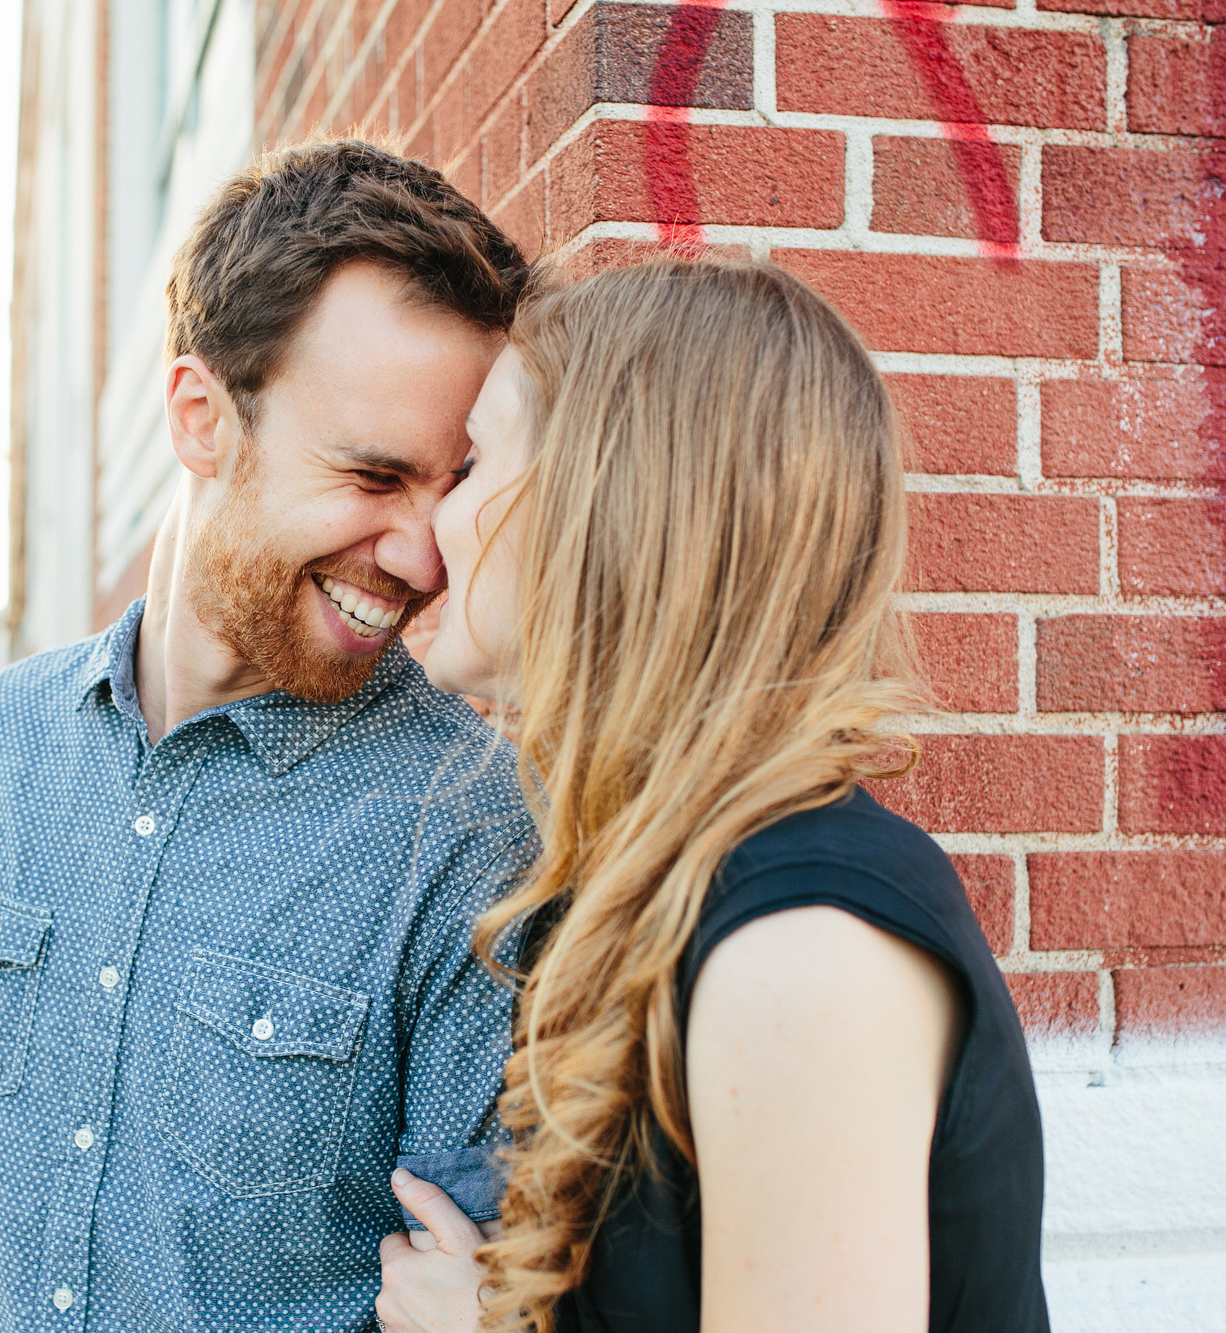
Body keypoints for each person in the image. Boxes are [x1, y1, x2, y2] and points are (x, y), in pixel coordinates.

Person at [0, 140, 538, 1330]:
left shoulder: (477, 837)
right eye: (371, 476)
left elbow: (479, 1284)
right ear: (202, 418)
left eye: (447, 485)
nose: (420, 556)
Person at [375, 260, 1050, 1333]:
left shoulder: (798, 940)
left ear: (608, 496)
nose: (422, 536)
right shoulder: (666, 887)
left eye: (468, 464)